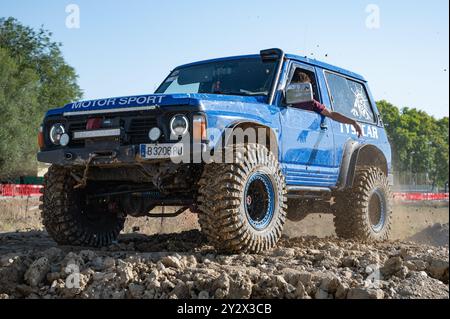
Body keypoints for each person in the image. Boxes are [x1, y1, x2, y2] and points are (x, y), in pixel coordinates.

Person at [291, 70, 363, 137]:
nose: (304, 92)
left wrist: (353, 122)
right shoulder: (283, 98)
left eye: (306, 88)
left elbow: (331, 114)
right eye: (299, 88)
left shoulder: (311, 103)